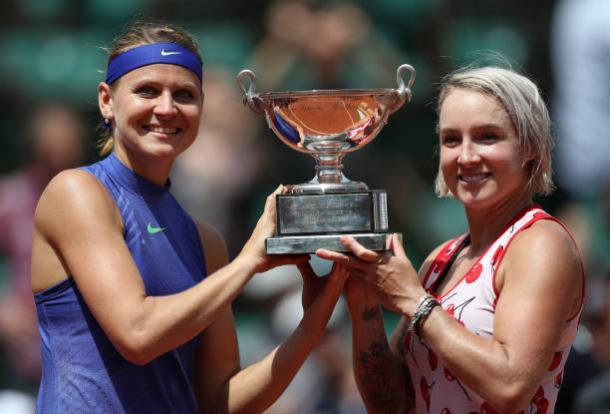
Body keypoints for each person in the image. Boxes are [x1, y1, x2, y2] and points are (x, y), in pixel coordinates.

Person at [30, 20, 347, 413]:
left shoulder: (205, 241)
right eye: (147, 90)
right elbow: (138, 333)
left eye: (183, 94)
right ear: (107, 100)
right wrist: (248, 263)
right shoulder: (76, 192)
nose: (166, 108)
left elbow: (219, 400)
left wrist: (312, 324)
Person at [317, 66, 585, 413]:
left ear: (530, 147)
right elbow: (393, 406)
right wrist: (363, 304)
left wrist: (414, 301)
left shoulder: (540, 244)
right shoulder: (441, 258)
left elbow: (510, 386)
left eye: (488, 137)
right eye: (451, 140)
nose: (467, 156)